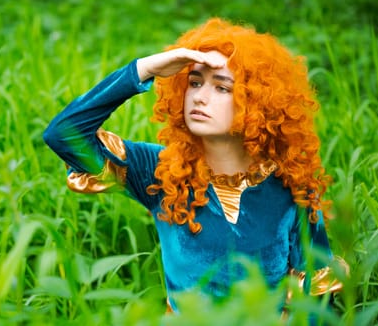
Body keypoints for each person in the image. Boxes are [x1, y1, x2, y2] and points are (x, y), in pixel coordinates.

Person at [43, 18, 345, 313]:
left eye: (222, 88)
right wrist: (143, 69)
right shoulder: (161, 170)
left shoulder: (291, 184)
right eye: (195, 83)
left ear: (257, 104)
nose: (200, 97)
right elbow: (64, 135)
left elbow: (318, 296)